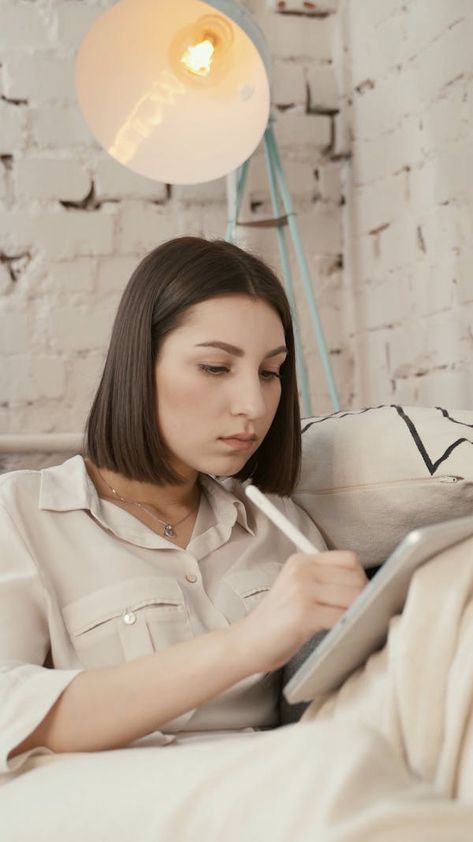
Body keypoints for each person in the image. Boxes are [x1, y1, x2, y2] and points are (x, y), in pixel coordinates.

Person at [1, 236, 473, 841]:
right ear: (137, 365)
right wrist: (253, 641)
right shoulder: (23, 513)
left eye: (271, 372)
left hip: (277, 771)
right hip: (90, 787)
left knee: (454, 588)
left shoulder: (278, 525)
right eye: (216, 367)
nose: (253, 403)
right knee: (332, 764)